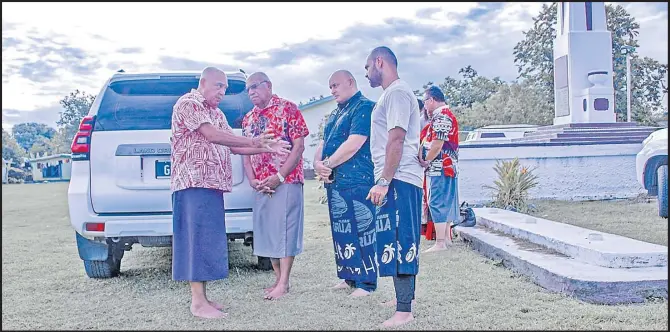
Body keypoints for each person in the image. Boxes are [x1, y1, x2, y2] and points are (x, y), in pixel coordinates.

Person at [170, 67, 290, 319]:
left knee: (207, 241)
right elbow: (212, 136)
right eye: (218, 86)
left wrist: (265, 147)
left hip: (212, 184)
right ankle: (197, 303)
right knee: (196, 240)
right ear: (203, 82)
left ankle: (204, 298)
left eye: (225, 88)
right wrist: (256, 141)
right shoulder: (189, 102)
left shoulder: (215, 112)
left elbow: (234, 147)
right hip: (193, 183)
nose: (222, 92)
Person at [364, 46, 424, 327]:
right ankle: (403, 298)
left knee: (402, 240)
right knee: (393, 238)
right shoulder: (391, 95)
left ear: (380, 62)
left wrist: (384, 181)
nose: (366, 74)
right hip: (397, 177)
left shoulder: (398, 92)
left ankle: (404, 310)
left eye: (367, 68)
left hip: (399, 178)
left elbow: (397, 140)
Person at [241, 72, 310, 300]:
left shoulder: (288, 108)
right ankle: (277, 280)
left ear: (268, 86)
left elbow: (298, 147)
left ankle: (284, 281)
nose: (251, 92)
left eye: (255, 87)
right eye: (248, 89)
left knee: (285, 231)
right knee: (268, 233)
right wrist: (252, 180)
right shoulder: (248, 118)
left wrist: (279, 176)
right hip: (261, 184)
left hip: (286, 181)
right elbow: (244, 153)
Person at [313, 70, 377, 297]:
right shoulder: (335, 113)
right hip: (336, 181)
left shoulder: (364, 107)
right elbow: (323, 142)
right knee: (342, 230)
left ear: (351, 82)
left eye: (336, 85)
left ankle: (366, 283)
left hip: (358, 179)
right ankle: (348, 275)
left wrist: (327, 164)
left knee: (363, 229)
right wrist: (318, 163)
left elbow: (355, 143)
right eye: (330, 86)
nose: (332, 90)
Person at [420, 86, 460, 253]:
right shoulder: (444, 116)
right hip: (446, 166)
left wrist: (426, 160)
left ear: (431, 100)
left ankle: (441, 242)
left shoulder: (442, 117)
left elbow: (437, 145)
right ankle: (447, 240)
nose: (425, 107)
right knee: (446, 200)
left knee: (437, 201)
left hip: (441, 166)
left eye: (425, 102)